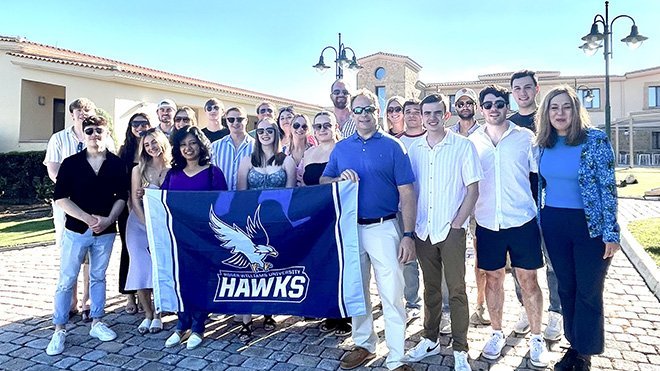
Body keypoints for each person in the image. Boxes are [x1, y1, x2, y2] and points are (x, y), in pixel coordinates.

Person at [321, 89, 416, 371]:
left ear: (378, 110)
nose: (363, 115)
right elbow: (325, 179)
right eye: (358, 110)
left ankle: (397, 355)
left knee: (391, 292)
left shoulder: (393, 146)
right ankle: (364, 343)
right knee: (357, 290)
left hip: (384, 226)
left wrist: (408, 235)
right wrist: (338, 178)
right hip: (351, 230)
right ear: (352, 113)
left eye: (369, 109)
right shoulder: (342, 148)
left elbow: (408, 192)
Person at [536, 86, 620, 371]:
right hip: (554, 223)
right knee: (567, 288)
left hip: (589, 226)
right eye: (554, 108)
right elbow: (542, 186)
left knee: (589, 289)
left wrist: (611, 232)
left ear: (575, 110)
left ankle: (585, 353)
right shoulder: (543, 143)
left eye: (566, 107)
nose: (560, 113)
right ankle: (573, 345)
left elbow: (607, 188)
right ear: (546, 113)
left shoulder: (594, 140)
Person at [469, 85, 549, 367]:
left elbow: (542, 176)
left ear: (508, 106)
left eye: (499, 103)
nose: (494, 108)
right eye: (488, 104)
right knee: (493, 280)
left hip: (521, 221)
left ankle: (537, 338)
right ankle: (496, 332)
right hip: (487, 222)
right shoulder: (471, 141)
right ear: (481, 109)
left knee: (528, 281)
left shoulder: (525, 137)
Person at [403, 94, 482, 371]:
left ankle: (460, 347)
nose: (432, 118)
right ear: (421, 116)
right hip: (424, 230)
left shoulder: (463, 146)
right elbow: (409, 191)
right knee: (431, 289)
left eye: (438, 112)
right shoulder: (414, 150)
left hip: (450, 230)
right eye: (427, 113)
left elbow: (473, 189)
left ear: (446, 115)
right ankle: (430, 338)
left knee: (457, 290)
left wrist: (457, 224)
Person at [46, 115, 129, 356]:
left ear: (106, 132)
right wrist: (87, 219)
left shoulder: (116, 164)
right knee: (67, 279)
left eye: (98, 130)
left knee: (98, 277)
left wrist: (108, 220)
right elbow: (60, 198)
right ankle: (59, 329)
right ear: (83, 134)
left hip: (105, 231)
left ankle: (97, 322)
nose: (94, 134)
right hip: (76, 230)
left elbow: (122, 197)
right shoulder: (71, 163)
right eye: (89, 130)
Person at [44, 98, 112, 323]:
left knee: (93, 261)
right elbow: (54, 171)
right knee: (70, 256)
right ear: (72, 114)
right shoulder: (59, 138)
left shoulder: (104, 138)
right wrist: (74, 191)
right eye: (79, 111)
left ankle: (88, 303)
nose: (83, 114)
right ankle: (70, 304)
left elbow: (110, 170)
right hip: (68, 206)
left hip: (98, 210)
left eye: (88, 110)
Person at [509, 70, 563, 341]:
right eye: (517, 88)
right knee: (521, 264)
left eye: (527, 87)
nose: (522, 93)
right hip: (519, 206)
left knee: (554, 262)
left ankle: (556, 313)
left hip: (550, 203)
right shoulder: (509, 125)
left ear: (536, 89)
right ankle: (524, 309)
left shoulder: (550, 118)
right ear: (512, 92)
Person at [163, 125, 228, 350]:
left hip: (204, 237)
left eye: (192, 143)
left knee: (201, 279)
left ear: (201, 145)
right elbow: (161, 202)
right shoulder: (172, 174)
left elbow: (224, 205)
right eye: (183, 145)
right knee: (181, 279)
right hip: (178, 236)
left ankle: (199, 326)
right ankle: (181, 325)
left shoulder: (213, 172)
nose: (188, 148)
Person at [235, 118, 295, 340]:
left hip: (277, 223)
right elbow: (241, 194)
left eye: (270, 130)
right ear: (256, 134)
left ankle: (269, 311)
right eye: (261, 130)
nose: (265, 134)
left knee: (272, 268)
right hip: (252, 222)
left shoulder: (286, 161)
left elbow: (290, 195)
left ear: (276, 133)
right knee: (249, 270)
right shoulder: (246, 161)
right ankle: (246, 321)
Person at [300, 111, 352, 336]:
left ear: (335, 127)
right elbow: (302, 184)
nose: (322, 129)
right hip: (316, 219)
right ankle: (328, 312)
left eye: (327, 125)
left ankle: (345, 315)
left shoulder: (344, 150)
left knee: (342, 266)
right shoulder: (308, 153)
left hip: (340, 216)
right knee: (321, 264)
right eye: (318, 126)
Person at [449, 88, 489, 327]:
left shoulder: (484, 133)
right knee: (452, 259)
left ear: (476, 106)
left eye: (469, 103)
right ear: (455, 107)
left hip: (478, 204)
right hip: (453, 203)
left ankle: (480, 304)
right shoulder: (448, 134)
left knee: (480, 259)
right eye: (460, 103)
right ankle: (452, 305)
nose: (464, 106)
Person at [125, 128, 171, 335]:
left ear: (162, 142)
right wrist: (147, 225)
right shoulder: (138, 169)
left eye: (154, 142)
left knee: (158, 268)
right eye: (146, 144)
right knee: (140, 267)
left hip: (163, 225)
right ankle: (148, 314)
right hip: (139, 224)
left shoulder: (174, 169)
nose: (151, 147)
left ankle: (159, 315)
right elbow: (134, 201)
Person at [117, 113, 153, 315]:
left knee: (149, 252)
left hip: (148, 206)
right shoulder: (124, 151)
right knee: (128, 250)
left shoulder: (152, 147)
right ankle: (130, 294)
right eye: (135, 124)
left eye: (143, 123)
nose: (140, 127)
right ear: (130, 127)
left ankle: (150, 294)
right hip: (127, 207)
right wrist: (130, 203)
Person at [395, 99, 424, 322]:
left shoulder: (432, 138)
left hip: (429, 207)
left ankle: (443, 306)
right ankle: (412, 301)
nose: (413, 115)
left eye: (417, 111)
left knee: (435, 260)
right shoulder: (396, 143)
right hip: (402, 209)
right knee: (408, 257)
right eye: (409, 112)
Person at [210, 106, 255, 190]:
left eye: (239, 119)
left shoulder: (256, 146)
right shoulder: (215, 146)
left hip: (247, 198)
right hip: (221, 198)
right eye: (231, 119)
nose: (235, 123)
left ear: (246, 121)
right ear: (226, 121)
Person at [288, 114, 315, 185]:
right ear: (290, 128)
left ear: (308, 129)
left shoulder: (313, 151)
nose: (300, 129)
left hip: (306, 192)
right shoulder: (284, 151)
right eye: (296, 126)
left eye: (304, 126)